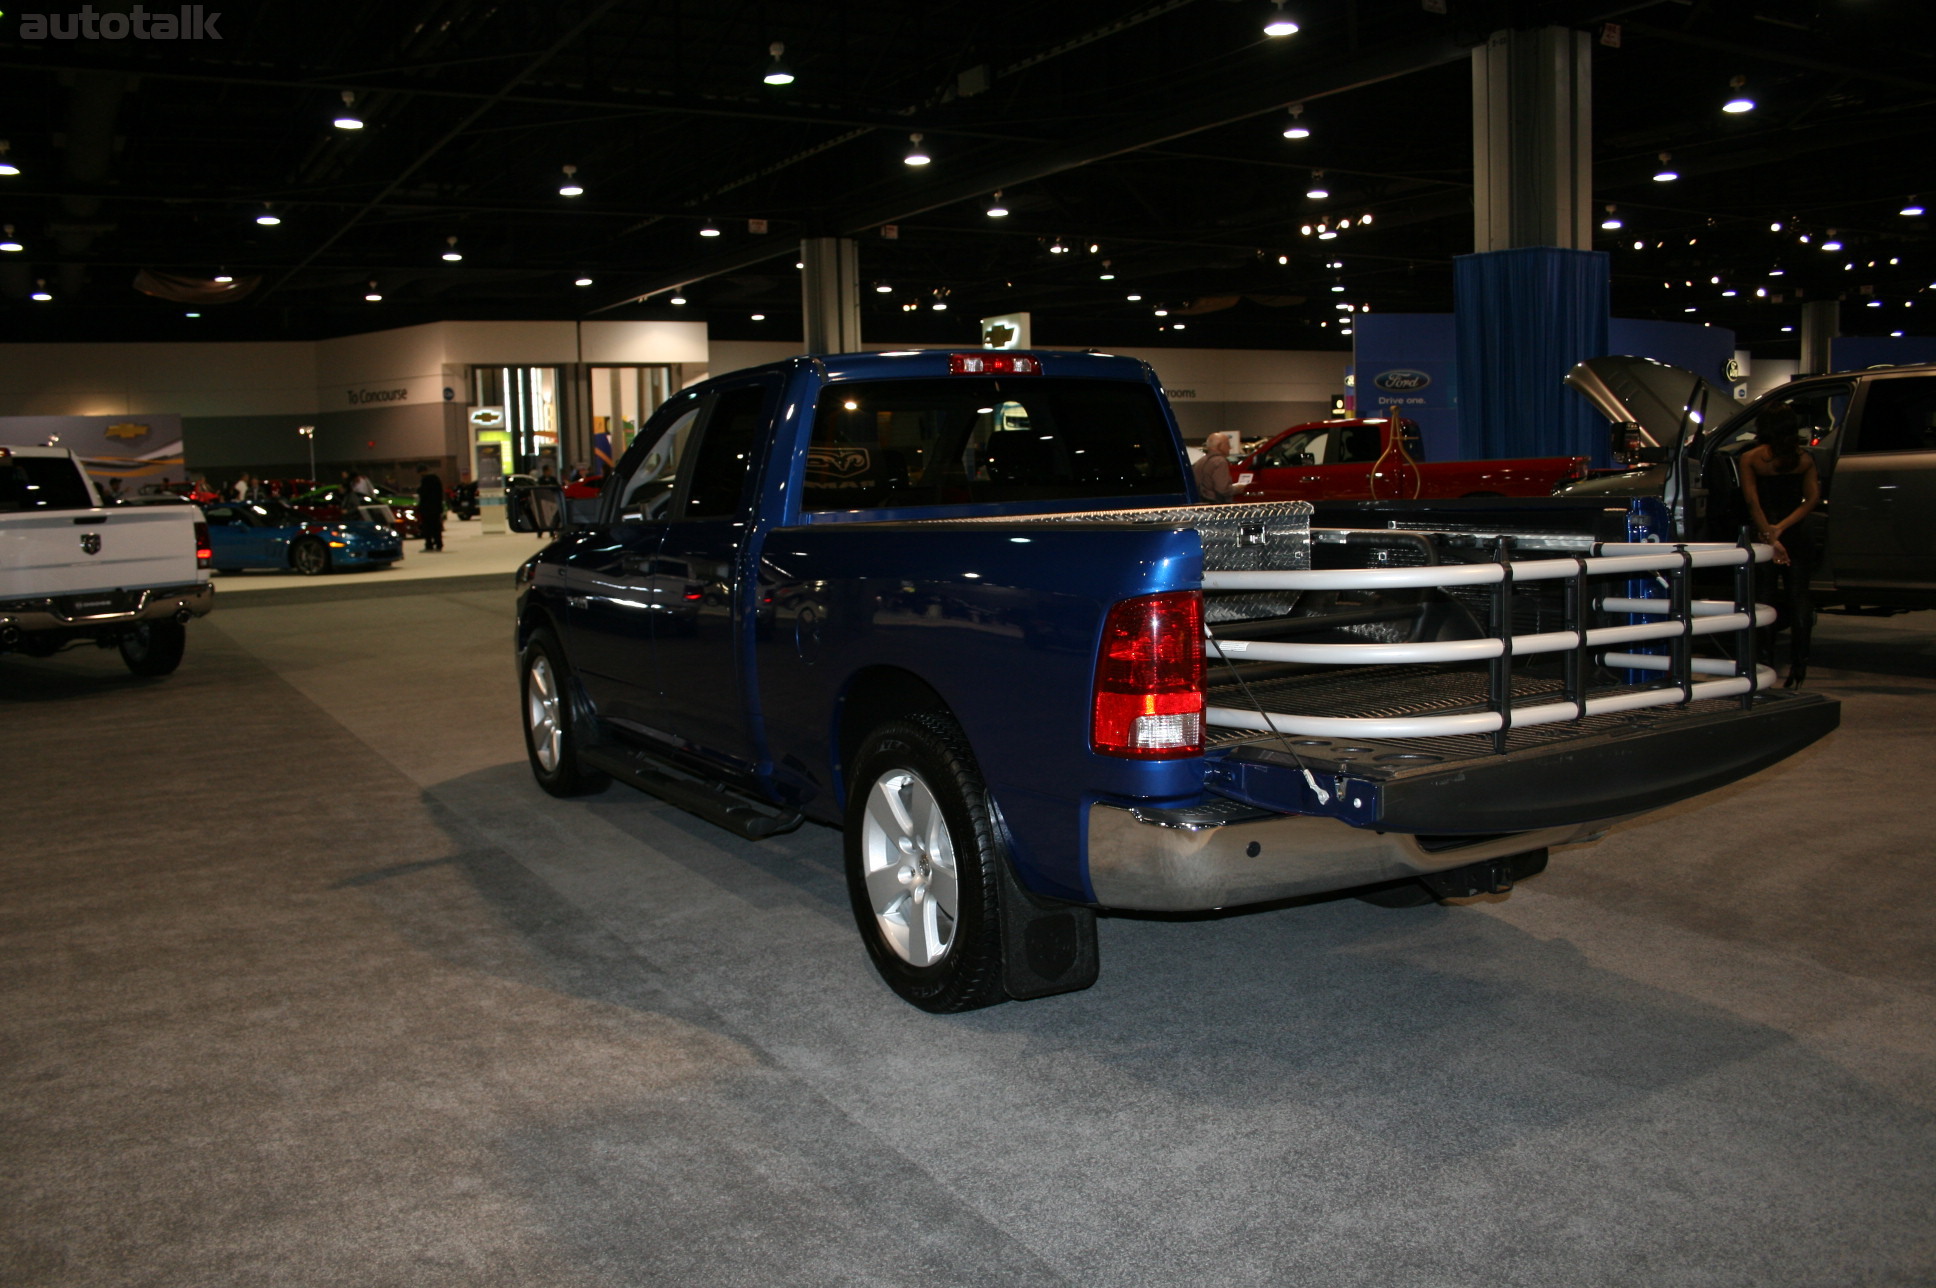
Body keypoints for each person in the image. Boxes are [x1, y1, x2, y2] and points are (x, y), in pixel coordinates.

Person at [1739, 404, 1822, 688]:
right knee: (1800, 598)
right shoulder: (1806, 459)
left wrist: (1770, 536)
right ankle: (1799, 666)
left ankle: (1764, 661)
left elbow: (1752, 502)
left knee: (1764, 599)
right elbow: (1811, 500)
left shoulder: (1751, 459)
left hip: (1763, 534)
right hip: (1797, 533)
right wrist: (1783, 529)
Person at [1192, 432, 1248, 503]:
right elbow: (1223, 489)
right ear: (1219, 446)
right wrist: (1238, 488)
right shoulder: (1220, 462)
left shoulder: (1200, 461)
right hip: (1216, 504)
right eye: (1227, 444)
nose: (1230, 447)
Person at [415, 464, 446, 553]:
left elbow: (423, 493)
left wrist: (419, 490)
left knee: (427, 527)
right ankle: (439, 544)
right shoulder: (436, 479)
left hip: (427, 508)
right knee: (436, 527)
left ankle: (429, 545)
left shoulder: (425, 480)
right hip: (436, 508)